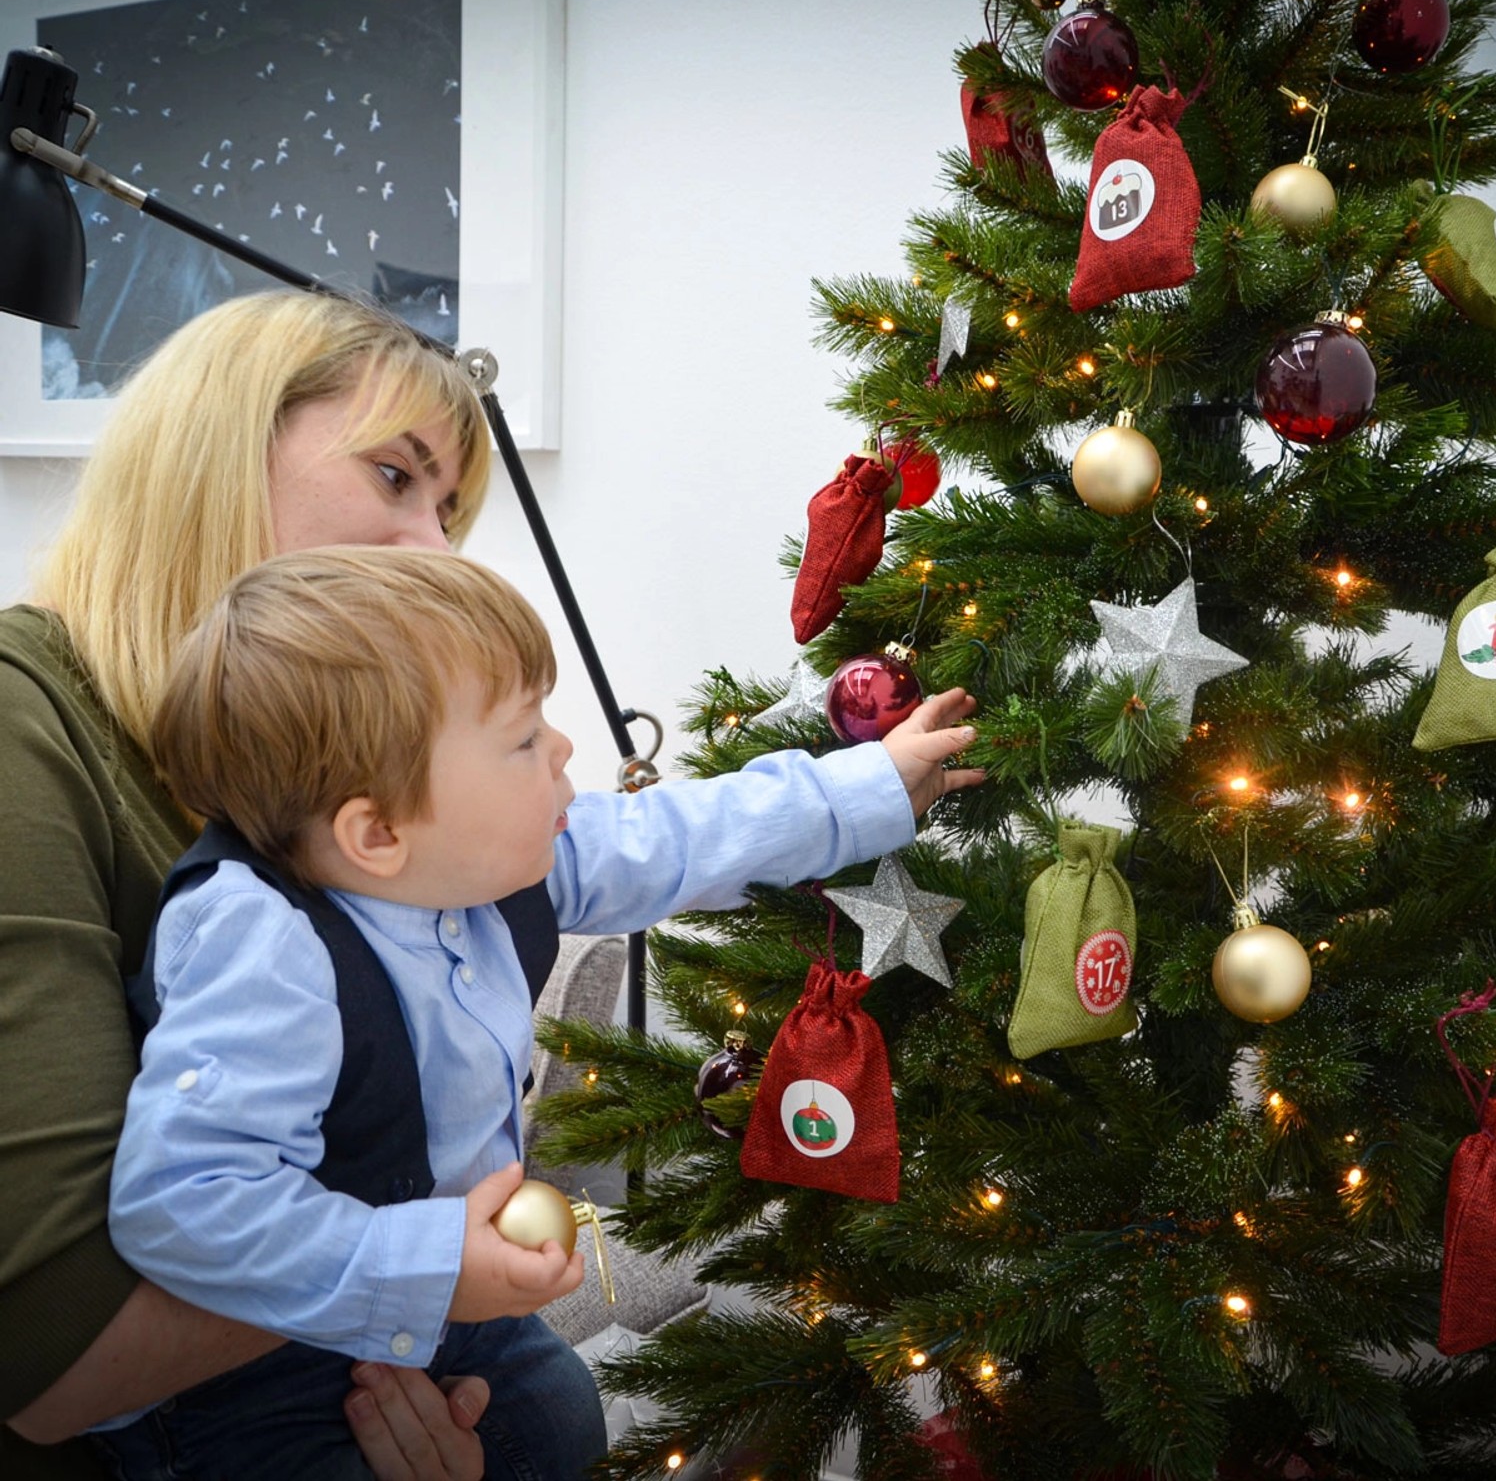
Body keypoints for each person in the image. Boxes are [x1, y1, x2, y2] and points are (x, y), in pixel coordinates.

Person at [91, 544, 981, 1480]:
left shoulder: (481, 859)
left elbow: (668, 839)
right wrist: (428, 1267)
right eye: (522, 738)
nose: (561, 750)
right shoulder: (261, 943)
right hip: (264, 1372)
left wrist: (873, 785)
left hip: (446, 1310)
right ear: (378, 831)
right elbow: (183, 1205)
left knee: (556, 1418)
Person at [1, 288, 525, 1481]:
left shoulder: (317, 785)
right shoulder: (23, 727)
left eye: (449, 512)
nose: (434, 551)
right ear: (218, 455)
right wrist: (437, 1251)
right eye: (397, 477)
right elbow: (57, 1354)